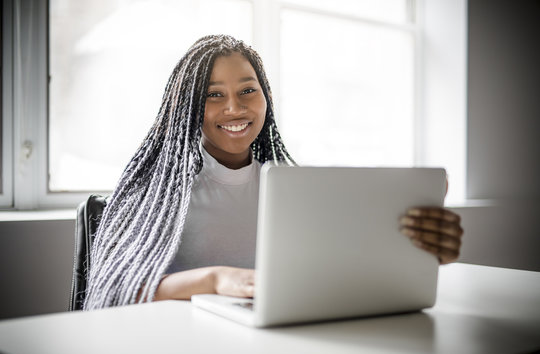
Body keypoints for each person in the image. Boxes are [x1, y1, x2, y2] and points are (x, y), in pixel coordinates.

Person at [83, 35, 463, 310]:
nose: (234, 108)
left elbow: (345, 269)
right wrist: (216, 280)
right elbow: (112, 290)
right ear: (187, 108)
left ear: (266, 98)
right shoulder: (154, 192)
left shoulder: (291, 188)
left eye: (248, 91)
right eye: (214, 95)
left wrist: (419, 251)